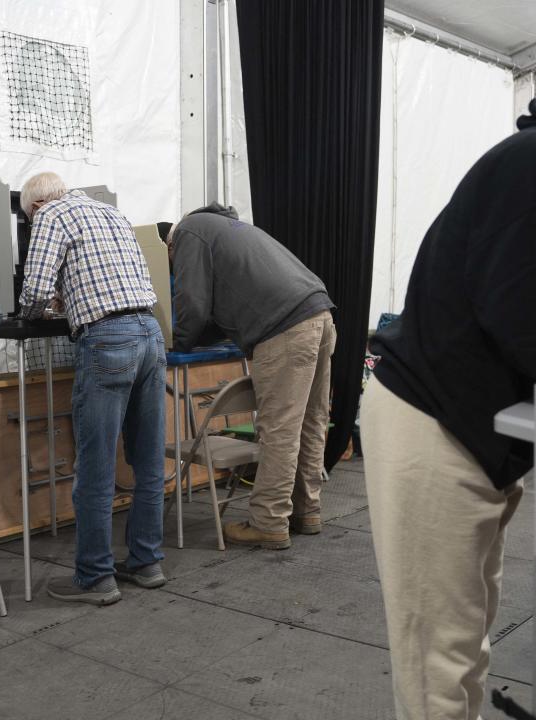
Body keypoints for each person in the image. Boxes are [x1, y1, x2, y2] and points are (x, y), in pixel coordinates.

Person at [362, 84, 536, 719]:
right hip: (435, 424)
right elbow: (527, 314)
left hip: (474, 433)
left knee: (463, 647)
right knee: (437, 671)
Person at [19, 172, 167, 605]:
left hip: (107, 339)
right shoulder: (111, 213)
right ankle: (146, 561)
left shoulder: (50, 216)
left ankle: (95, 577)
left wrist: (43, 306)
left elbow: (33, 292)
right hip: (150, 332)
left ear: (34, 207)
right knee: (148, 459)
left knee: (97, 465)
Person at [168, 205, 336, 549]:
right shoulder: (229, 228)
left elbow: (193, 302)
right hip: (320, 315)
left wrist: (177, 342)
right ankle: (307, 511)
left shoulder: (187, 232)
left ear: (168, 247)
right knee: (310, 422)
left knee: (279, 430)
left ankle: (269, 522)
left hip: (284, 329)